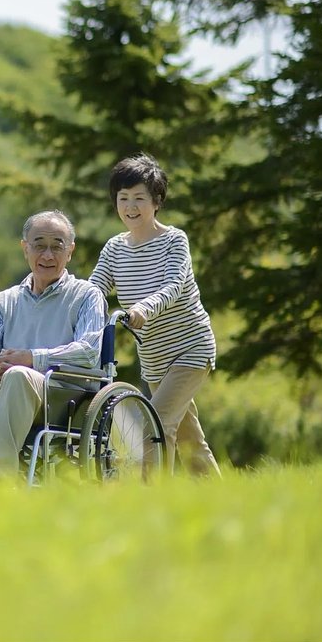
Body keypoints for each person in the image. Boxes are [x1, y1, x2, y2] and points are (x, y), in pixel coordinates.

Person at [0, 209, 106, 479]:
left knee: (18, 374)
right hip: (10, 394)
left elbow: (89, 351)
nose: (47, 255)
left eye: (56, 247)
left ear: (70, 251)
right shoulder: (7, 300)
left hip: (63, 398)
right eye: (39, 246)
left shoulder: (86, 295)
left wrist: (32, 359)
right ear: (25, 248)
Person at [88, 153, 222, 477]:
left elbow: (173, 285)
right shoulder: (114, 249)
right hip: (154, 360)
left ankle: (151, 504)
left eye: (139, 198)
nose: (130, 207)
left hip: (191, 349)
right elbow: (93, 289)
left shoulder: (174, 240)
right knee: (191, 441)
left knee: (155, 425)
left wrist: (143, 309)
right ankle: (222, 499)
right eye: (123, 199)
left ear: (156, 201)